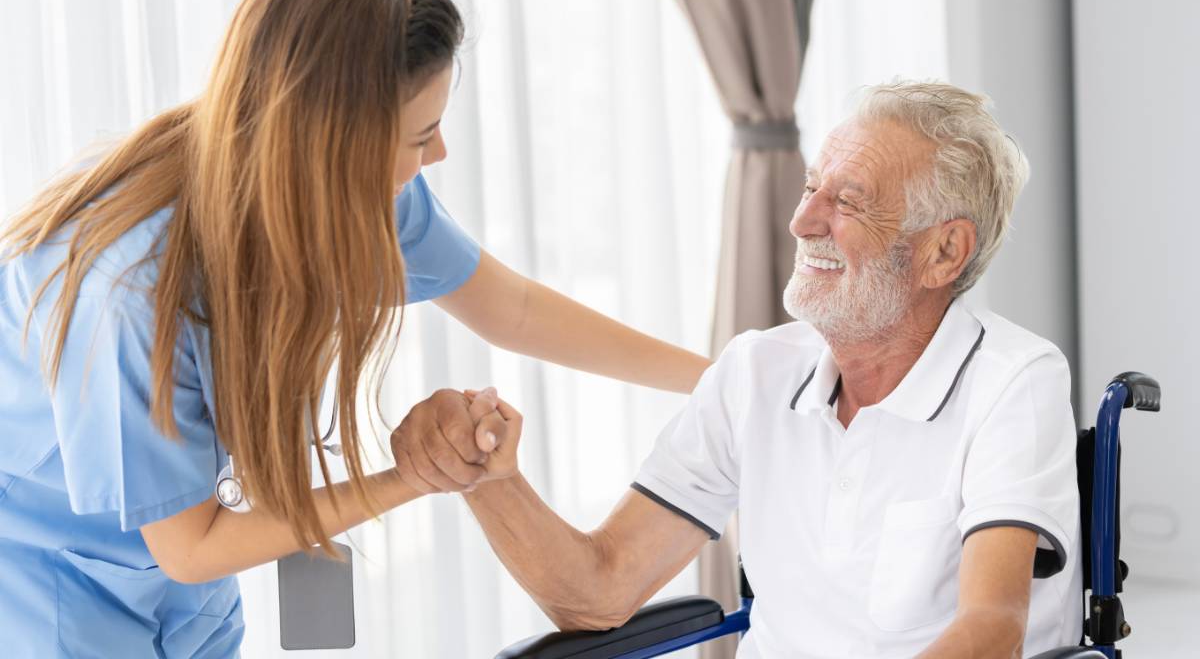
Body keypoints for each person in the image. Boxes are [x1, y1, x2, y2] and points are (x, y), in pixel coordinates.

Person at [0, 0, 709, 658]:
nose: (438, 157)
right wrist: (411, 475)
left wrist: (725, 378)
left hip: (183, 574)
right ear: (334, 144)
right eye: (421, 136)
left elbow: (512, 309)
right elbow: (191, 548)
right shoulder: (131, 291)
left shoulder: (360, 196)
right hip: (48, 577)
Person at [422, 81, 1083, 658]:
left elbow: (994, 629)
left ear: (943, 252)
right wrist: (492, 481)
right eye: (810, 187)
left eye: (847, 202)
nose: (801, 221)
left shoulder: (1014, 380)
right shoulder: (753, 371)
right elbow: (598, 593)